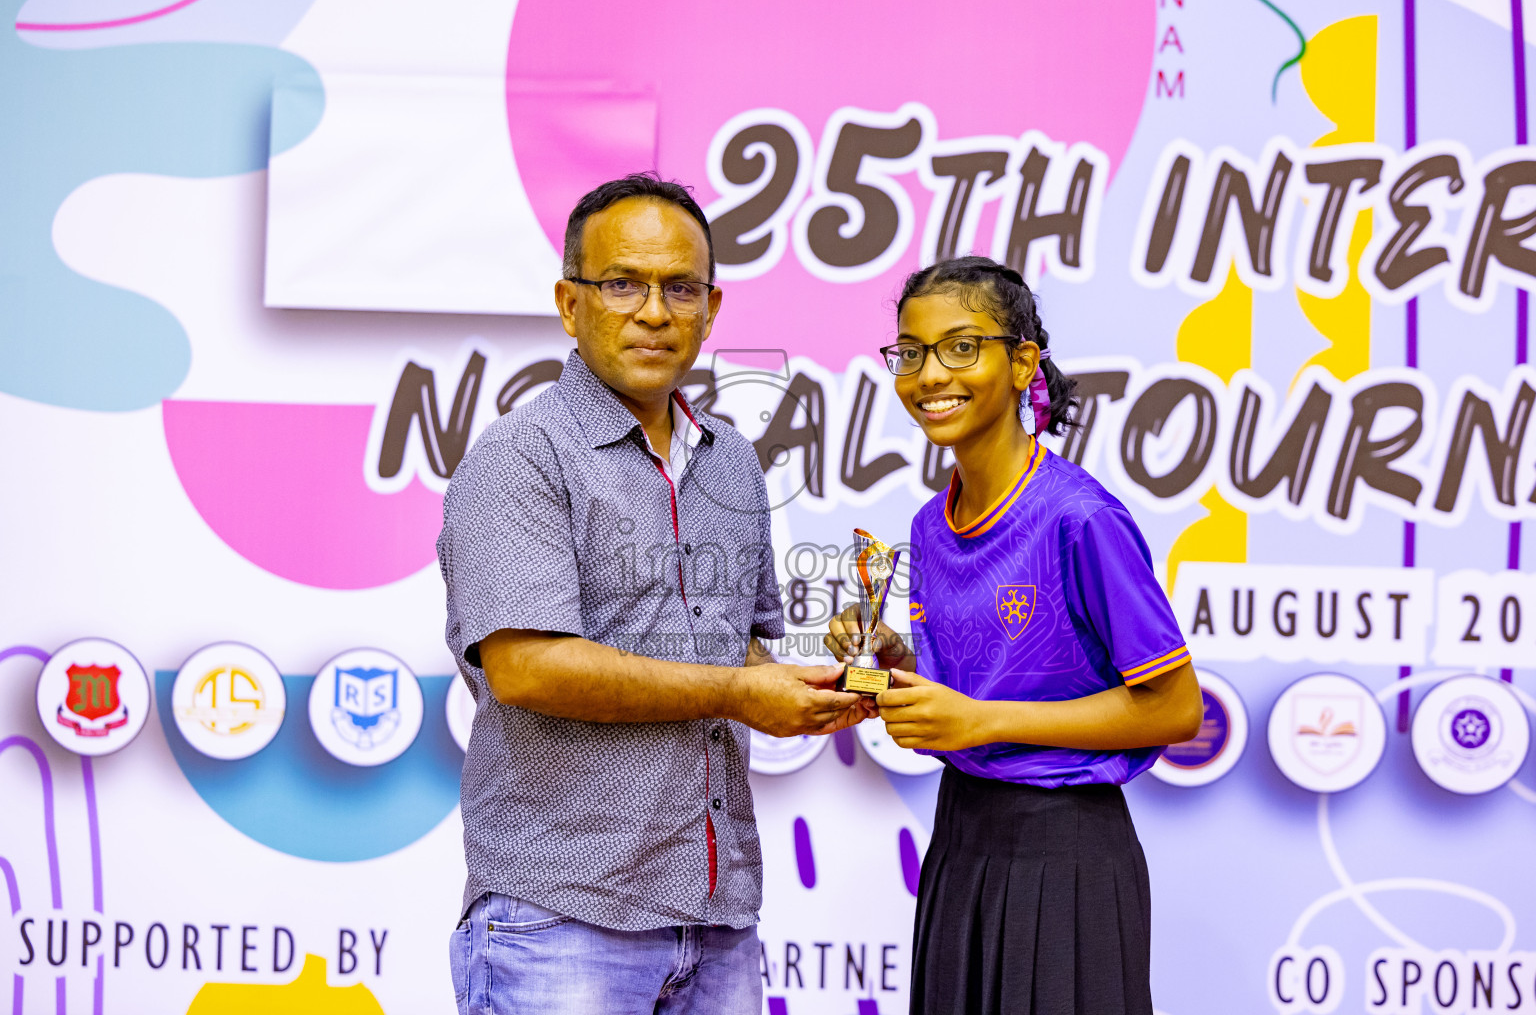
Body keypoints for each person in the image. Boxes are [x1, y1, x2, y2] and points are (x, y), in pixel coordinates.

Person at [438, 173, 868, 1015]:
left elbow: (737, 648)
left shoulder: (730, 459)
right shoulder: (521, 456)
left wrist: (835, 677)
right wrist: (740, 690)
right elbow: (531, 670)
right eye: (623, 283)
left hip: (716, 920)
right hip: (562, 917)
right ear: (570, 303)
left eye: (681, 288)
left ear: (712, 309)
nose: (654, 311)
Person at [825, 256, 1202, 1015]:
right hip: (962, 839)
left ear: (1023, 360)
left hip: (1066, 857)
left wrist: (981, 720)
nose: (931, 375)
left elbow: (1175, 709)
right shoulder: (933, 524)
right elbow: (966, 695)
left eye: (962, 347)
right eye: (911, 352)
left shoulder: (1079, 518)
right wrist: (888, 662)